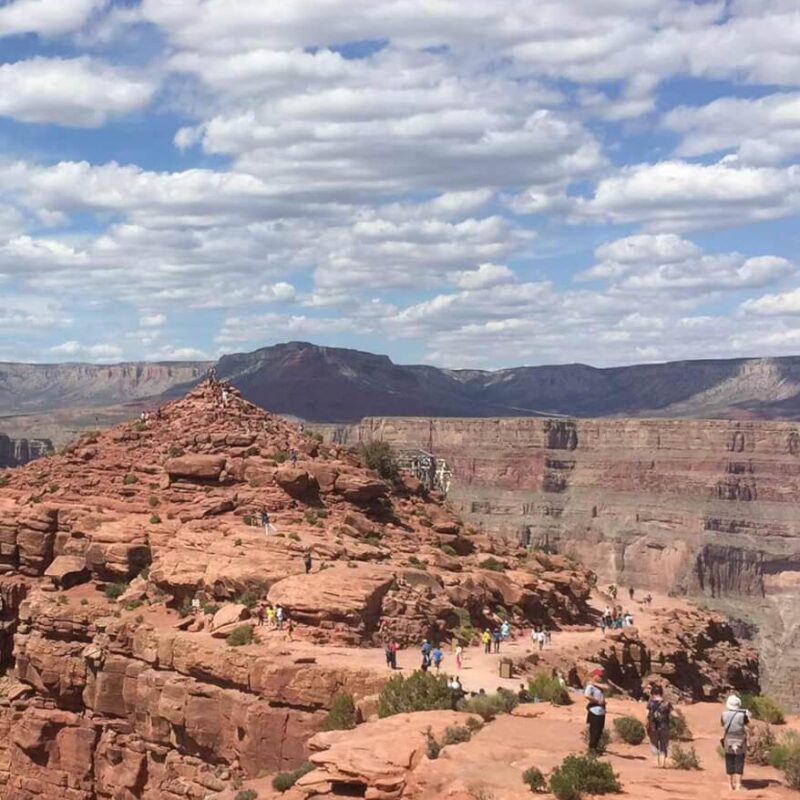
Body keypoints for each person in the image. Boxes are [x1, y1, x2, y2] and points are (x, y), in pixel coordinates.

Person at [721, 694, 750, 791]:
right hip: (740, 739)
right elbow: (749, 725)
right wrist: (748, 716)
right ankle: (738, 785)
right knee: (739, 761)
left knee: (729, 760)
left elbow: (722, 724)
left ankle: (730, 785)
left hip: (728, 738)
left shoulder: (724, 714)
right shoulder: (742, 715)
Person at [646, 685, 673, 767]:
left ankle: (656, 761)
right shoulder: (667, 703)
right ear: (661, 693)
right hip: (664, 726)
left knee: (653, 744)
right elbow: (673, 714)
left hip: (653, 727)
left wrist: (647, 725)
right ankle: (662, 761)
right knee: (664, 744)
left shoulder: (650, 703)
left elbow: (646, 714)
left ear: (652, 693)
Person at [584, 669, 607, 754]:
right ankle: (591, 749)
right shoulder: (590, 687)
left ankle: (596, 748)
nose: (601, 677)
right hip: (594, 711)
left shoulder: (597, 685)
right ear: (595, 676)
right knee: (594, 731)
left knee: (600, 731)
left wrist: (594, 683)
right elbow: (586, 695)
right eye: (599, 676)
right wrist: (597, 701)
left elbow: (607, 687)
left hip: (601, 711)